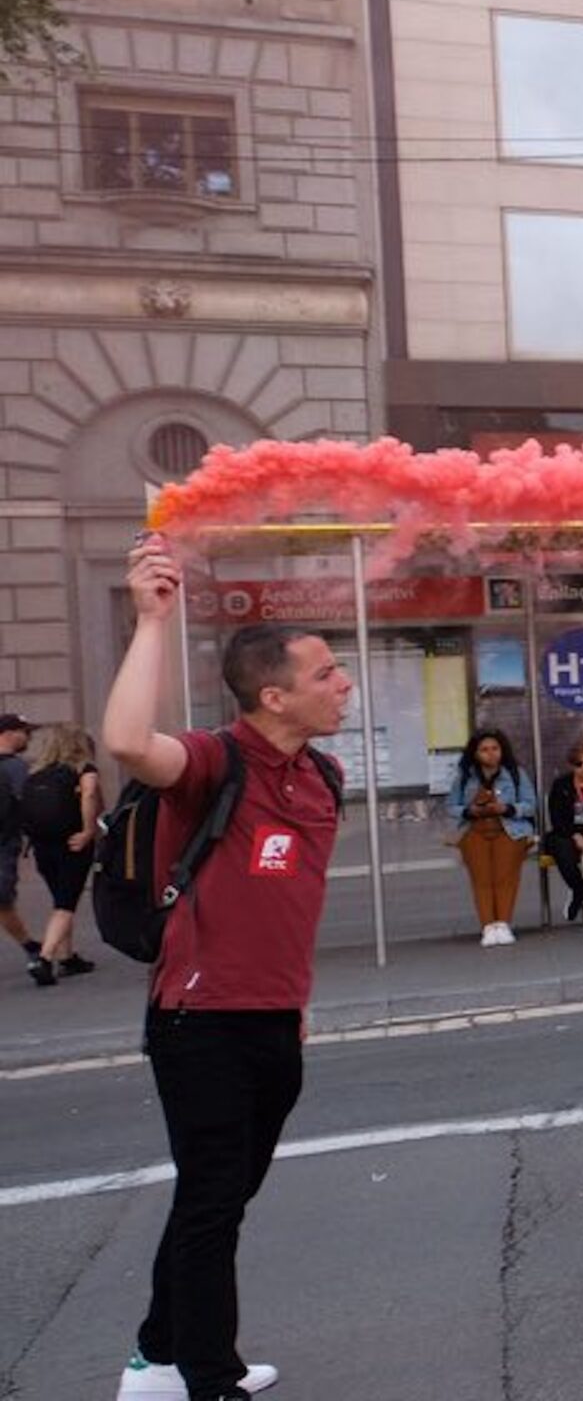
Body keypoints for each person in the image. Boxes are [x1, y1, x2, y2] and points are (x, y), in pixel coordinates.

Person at [103, 537, 354, 1401]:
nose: (343, 682)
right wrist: (151, 617)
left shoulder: (323, 774)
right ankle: (207, 1379)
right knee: (212, 1199)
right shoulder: (216, 762)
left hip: (275, 1019)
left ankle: (154, 1356)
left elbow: (279, 910)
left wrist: (292, 1007)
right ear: (273, 694)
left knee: (222, 1197)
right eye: (325, 673)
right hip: (197, 1021)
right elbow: (128, 739)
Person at [20, 722, 105, 980]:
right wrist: (89, 831)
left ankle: (67, 957)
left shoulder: (36, 774)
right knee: (66, 903)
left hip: (43, 846)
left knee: (61, 900)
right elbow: (90, 795)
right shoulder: (84, 769)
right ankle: (44, 959)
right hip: (73, 843)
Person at [445, 728, 535, 947]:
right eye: (484, 750)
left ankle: (503, 923)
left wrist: (507, 807)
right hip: (475, 831)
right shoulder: (465, 777)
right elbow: (451, 806)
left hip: (509, 830)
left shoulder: (515, 774)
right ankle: (488, 925)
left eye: (495, 748)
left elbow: (531, 804)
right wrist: (470, 810)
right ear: (475, 753)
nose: (490, 754)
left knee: (506, 878)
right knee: (482, 880)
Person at [541, 740, 583, 926]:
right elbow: (556, 817)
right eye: (579, 764)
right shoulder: (561, 784)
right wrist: (575, 835)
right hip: (567, 833)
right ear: (572, 765)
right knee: (562, 848)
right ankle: (581, 891)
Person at [0, 711, 41, 983]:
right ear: (9, 733)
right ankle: (30, 947)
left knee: (2, 900)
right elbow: (32, 805)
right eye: (25, 732)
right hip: (4, 844)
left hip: (4, 843)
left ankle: (30, 946)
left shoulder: (15, 766)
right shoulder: (16, 767)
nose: (28, 737)